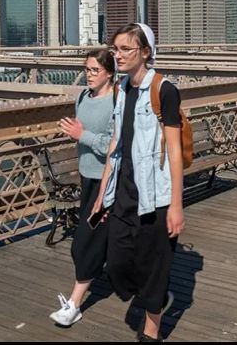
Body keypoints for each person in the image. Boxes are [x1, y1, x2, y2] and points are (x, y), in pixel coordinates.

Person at [92, 23, 183, 342]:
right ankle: (151, 296)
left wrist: (176, 205)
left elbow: (173, 150)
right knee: (116, 265)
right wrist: (103, 193)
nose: (117, 55)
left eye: (125, 49)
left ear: (146, 52)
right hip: (123, 194)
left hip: (155, 197)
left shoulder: (164, 90)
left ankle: (152, 330)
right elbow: (116, 143)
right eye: (115, 49)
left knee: (154, 267)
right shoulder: (120, 89)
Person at [49, 49, 115, 327]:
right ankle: (141, 280)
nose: (88, 74)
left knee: (84, 243)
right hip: (87, 178)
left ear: (109, 73)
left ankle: (74, 305)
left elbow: (112, 144)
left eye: (94, 70)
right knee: (105, 241)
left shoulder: (117, 101)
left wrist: (81, 134)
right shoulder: (82, 97)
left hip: (109, 181)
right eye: (86, 69)